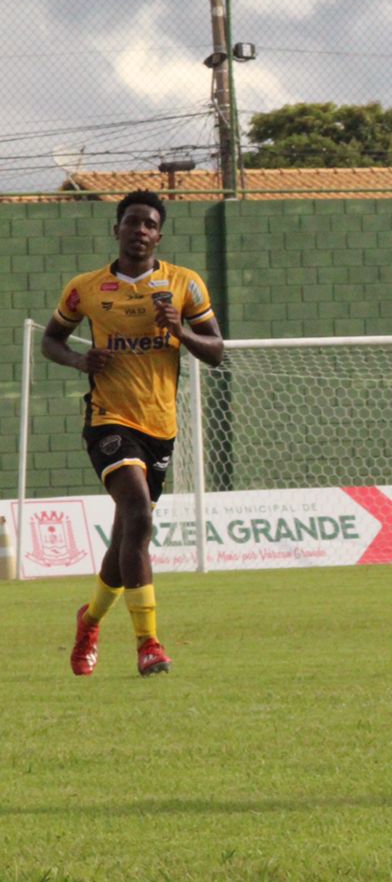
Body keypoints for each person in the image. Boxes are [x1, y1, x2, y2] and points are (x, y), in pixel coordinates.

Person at [43, 190, 224, 677]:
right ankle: (149, 645)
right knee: (139, 514)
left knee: (128, 533)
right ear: (116, 229)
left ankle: (90, 621)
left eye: (149, 224)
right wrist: (82, 360)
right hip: (108, 418)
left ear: (159, 234)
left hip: (160, 427)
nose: (139, 230)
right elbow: (50, 340)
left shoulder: (185, 285)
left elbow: (216, 351)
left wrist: (180, 333)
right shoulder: (86, 288)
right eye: (132, 222)